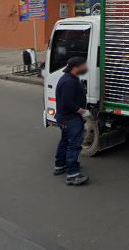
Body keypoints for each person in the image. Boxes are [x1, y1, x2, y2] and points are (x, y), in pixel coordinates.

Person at [54, 56, 92, 185]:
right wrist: (82, 111)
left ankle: (60, 165)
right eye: (83, 66)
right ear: (76, 67)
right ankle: (73, 175)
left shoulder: (71, 79)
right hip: (70, 118)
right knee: (74, 145)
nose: (86, 68)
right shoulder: (68, 82)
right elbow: (67, 103)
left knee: (65, 141)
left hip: (66, 118)